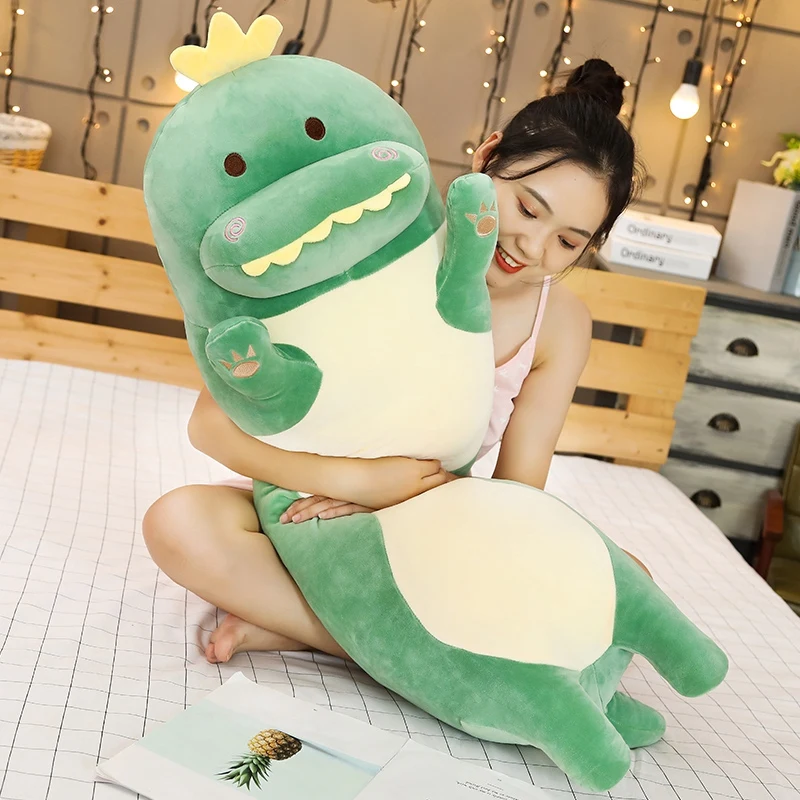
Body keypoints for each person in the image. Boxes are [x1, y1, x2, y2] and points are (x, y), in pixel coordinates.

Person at [142, 58, 647, 665]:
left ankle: (304, 625)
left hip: (433, 521)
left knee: (626, 580)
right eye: (527, 209)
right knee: (178, 524)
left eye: (567, 241)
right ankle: (392, 645)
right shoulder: (381, 240)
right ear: (488, 158)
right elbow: (208, 425)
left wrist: (405, 503)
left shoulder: (560, 324)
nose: (532, 246)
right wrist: (356, 483)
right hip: (300, 498)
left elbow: (517, 495)